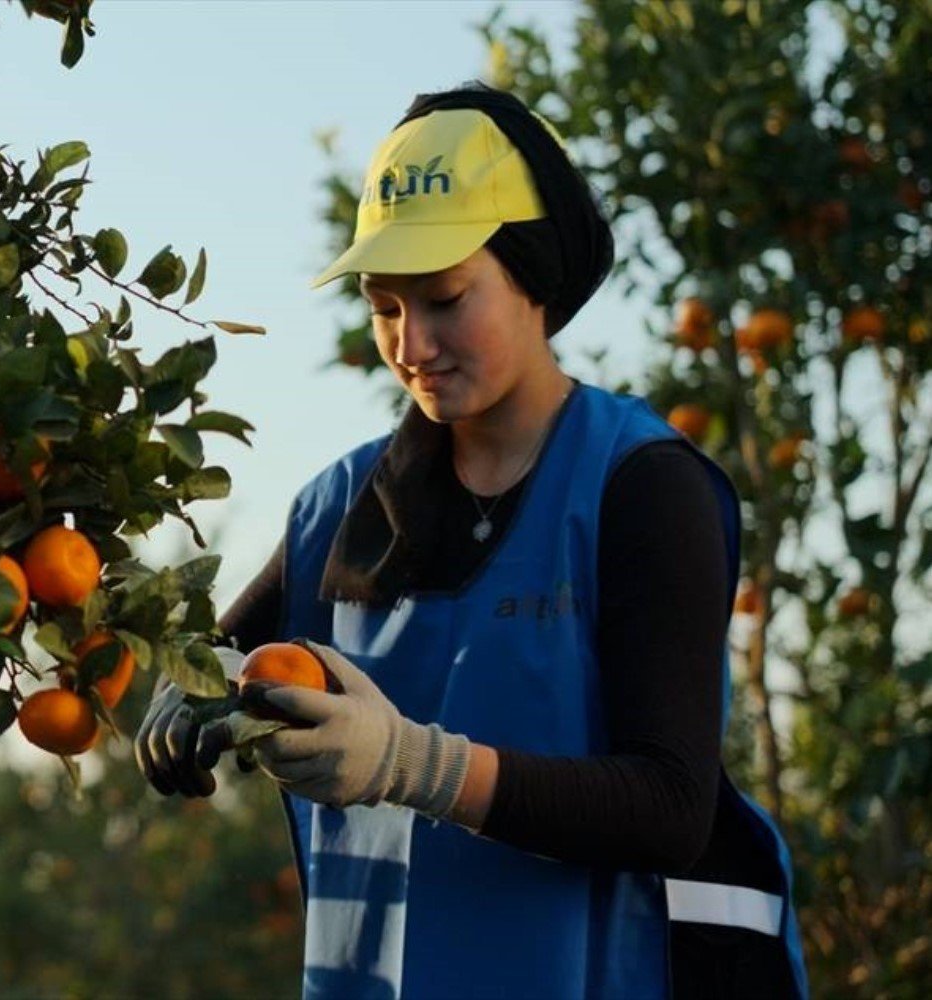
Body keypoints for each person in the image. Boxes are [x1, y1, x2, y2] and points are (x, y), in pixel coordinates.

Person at [134, 84, 808, 999]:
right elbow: (225, 654)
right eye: (383, 307)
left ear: (533, 274)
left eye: (446, 299)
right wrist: (192, 686)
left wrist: (413, 765)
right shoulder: (340, 508)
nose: (413, 344)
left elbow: (669, 808)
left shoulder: (641, 486)